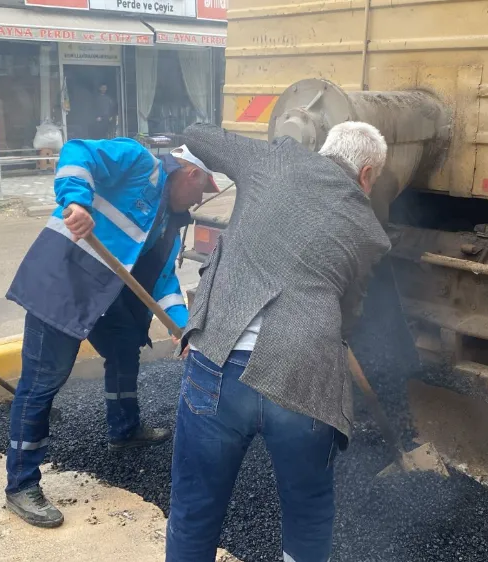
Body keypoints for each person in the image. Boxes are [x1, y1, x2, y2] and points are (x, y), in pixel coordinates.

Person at [166, 122, 392, 562]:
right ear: (366, 174)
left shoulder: (274, 158)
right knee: (307, 511)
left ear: (325, 149)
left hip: (218, 362)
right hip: (303, 379)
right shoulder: (370, 232)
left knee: (194, 508)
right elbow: (349, 318)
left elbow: (194, 133)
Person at [3, 137, 220, 528]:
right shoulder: (139, 163)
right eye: (202, 190)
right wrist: (76, 202)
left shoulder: (170, 223)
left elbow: (165, 281)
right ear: (191, 174)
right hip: (63, 284)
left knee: (123, 347)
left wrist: (181, 327)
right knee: (41, 382)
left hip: (104, 296)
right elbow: (76, 151)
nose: (199, 200)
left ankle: (124, 429)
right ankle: (21, 483)